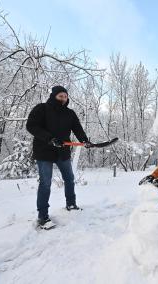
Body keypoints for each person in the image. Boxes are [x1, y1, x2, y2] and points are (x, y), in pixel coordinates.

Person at [26, 85, 92, 227]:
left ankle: (71, 204)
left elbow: (77, 128)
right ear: (54, 96)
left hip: (62, 152)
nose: (63, 98)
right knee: (45, 183)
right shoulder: (41, 108)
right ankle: (43, 217)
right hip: (44, 151)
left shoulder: (70, 113)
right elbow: (31, 126)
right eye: (60, 95)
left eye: (65, 96)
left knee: (69, 179)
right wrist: (49, 138)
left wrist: (84, 140)